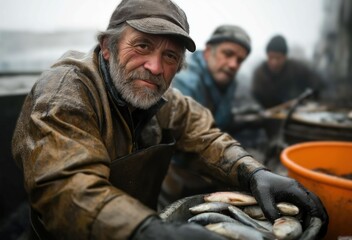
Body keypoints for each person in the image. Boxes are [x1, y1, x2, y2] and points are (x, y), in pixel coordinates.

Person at [12, 0, 328, 239]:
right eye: (142, 45)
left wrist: (254, 173)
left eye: (170, 56)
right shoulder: (65, 92)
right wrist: (150, 231)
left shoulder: (164, 101)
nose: (155, 66)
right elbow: (67, 188)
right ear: (107, 47)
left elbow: (206, 138)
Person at [159, 25, 268, 206]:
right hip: (178, 176)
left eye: (239, 60)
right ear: (209, 52)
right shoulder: (185, 83)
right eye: (228, 54)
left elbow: (219, 121)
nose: (233, 64)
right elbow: (188, 141)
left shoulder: (227, 82)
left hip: (206, 168)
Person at [251, 34, 324, 109]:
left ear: (285, 57)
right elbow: (257, 96)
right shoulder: (259, 74)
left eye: (278, 58)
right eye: (271, 57)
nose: (274, 62)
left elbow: (317, 85)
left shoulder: (297, 69)